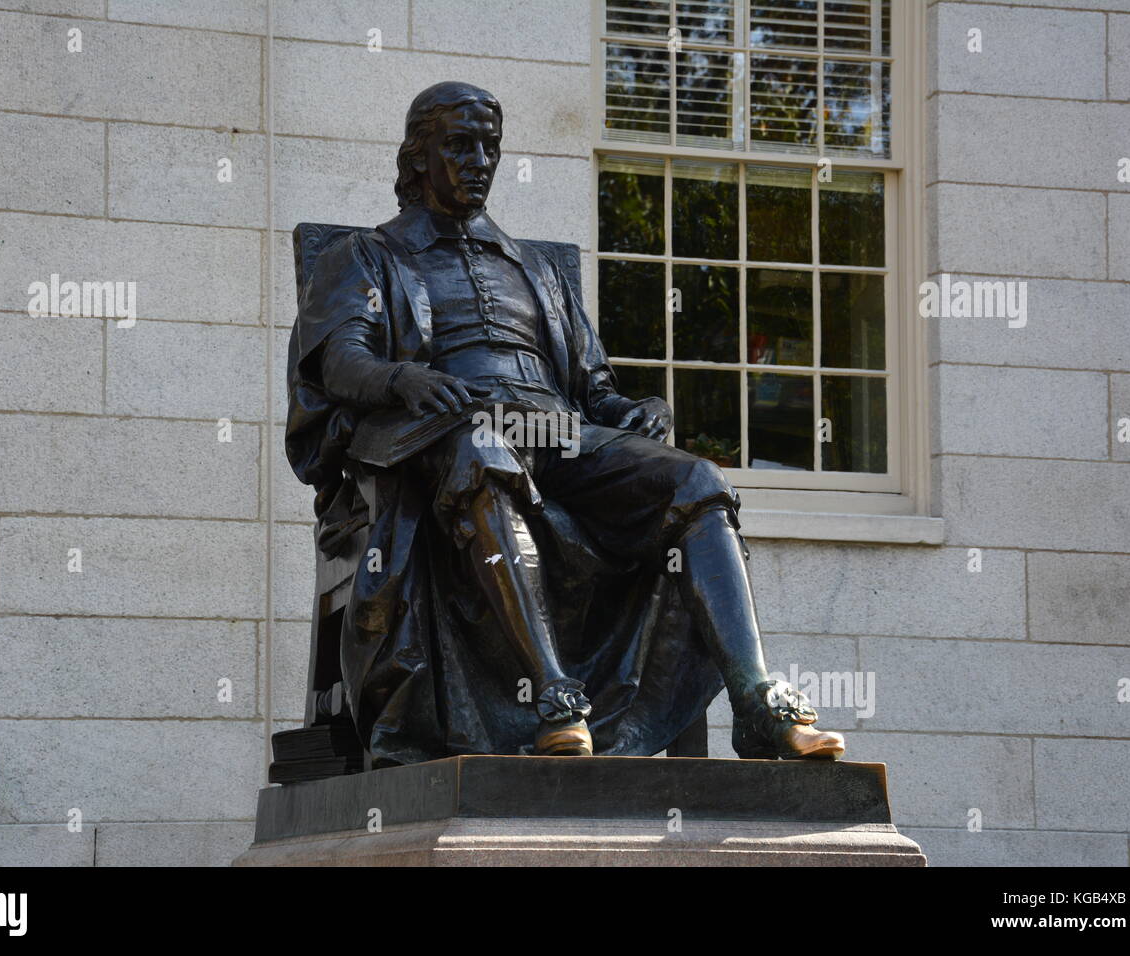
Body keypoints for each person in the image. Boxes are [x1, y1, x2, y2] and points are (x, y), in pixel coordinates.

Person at [286, 81, 845, 765]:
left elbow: (592, 390)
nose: (479, 161)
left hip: (560, 435)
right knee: (483, 450)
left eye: (490, 146)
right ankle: (554, 693)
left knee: (697, 481)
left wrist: (638, 412)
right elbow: (340, 362)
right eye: (459, 145)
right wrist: (403, 379)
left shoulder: (538, 270)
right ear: (418, 156)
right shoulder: (367, 255)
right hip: (449, 430)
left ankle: (756, 700)